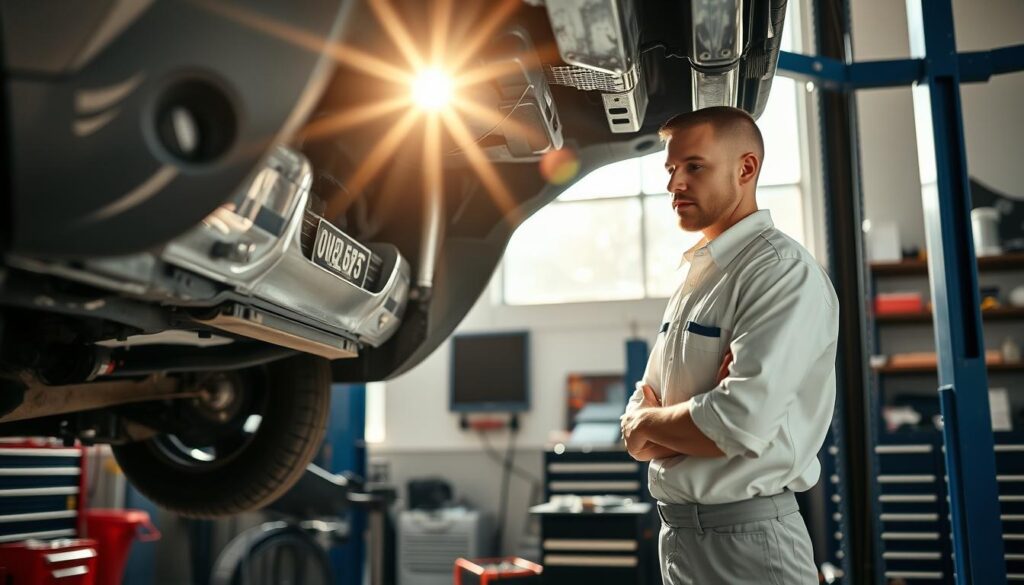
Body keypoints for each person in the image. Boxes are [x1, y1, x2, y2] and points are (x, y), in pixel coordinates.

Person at [619, 106, 839, 584]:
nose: (674, 184)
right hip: (678, 540)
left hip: (750, 545)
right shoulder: (697, 277)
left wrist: (651, 423)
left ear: (746, 168)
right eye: (671, 169)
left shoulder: (779, 272)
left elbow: (738, 422)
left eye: (694, 166)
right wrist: (673, 422)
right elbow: (638, 433)